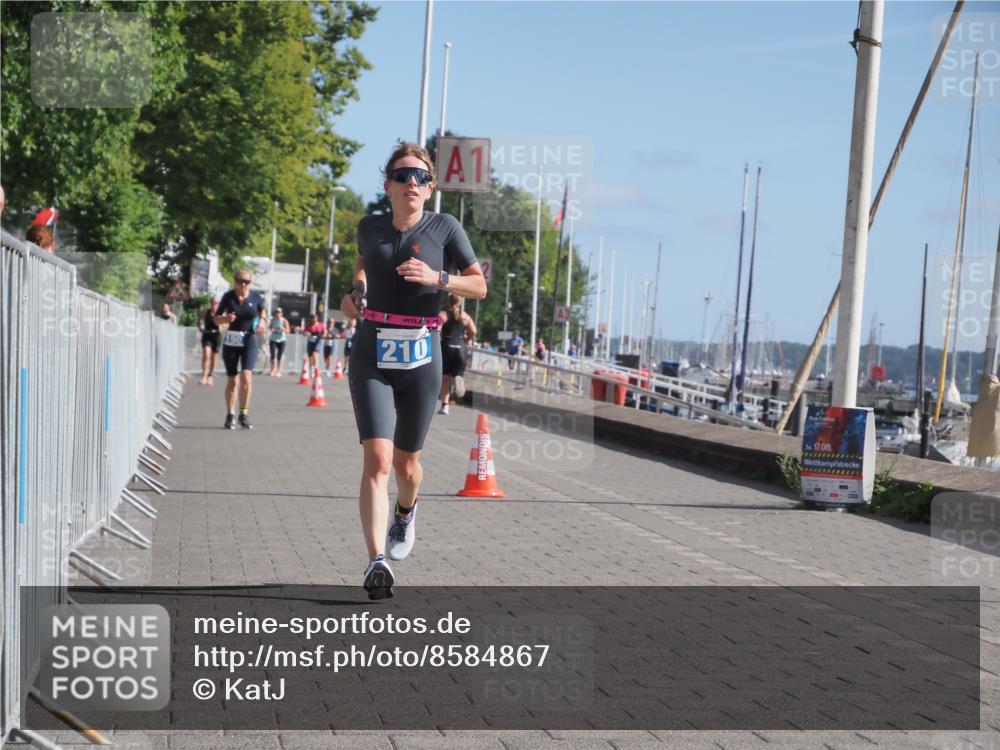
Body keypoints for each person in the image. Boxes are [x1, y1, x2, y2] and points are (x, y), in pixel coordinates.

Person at [341, 141, 486, 599]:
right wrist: (354, 293)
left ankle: (406, 511)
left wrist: (438, 279)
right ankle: (375, 561)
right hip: (372, 350)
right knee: (379, 460)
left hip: (423, 354)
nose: (413, 184)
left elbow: (479, 285)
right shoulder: (370, 228)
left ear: (431, 187)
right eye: (404, 176)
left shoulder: (445, 227)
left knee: (408, 464)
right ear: (388, 185)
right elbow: (363, 267)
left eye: (422, 177)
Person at [214, 269, 266, 429]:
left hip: (249, 338)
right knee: (232, 379)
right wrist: (225, 318)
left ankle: (244, 413)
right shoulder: (228, 297)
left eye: (247, 282)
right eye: (240, 281)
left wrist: (262, 321)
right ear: (235, 281)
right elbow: (216, 318)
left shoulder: (256, 296)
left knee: (246, 375)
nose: (243, 285)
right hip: (231, 339)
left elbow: (262, 311)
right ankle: (230, 414)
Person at [437, 294, 476, 415]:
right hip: (460, 347)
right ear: (460, 302)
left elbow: (436, 329)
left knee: (445, 380)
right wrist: (466, 339)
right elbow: (474, 331)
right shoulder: (465, 316)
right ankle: (457, 379)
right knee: (455, 374)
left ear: (448, 302)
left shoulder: (443, 315)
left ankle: (445, 406)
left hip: (447, 346)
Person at [198, 297, 221, 385]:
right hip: (207, 334)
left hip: (217, 335)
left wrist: (222, 326)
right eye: (212, 303)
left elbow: (227, 323)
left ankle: (210, 376)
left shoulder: (221, 313)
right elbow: (199, 319)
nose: (213, 305)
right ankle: (204, 375)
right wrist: (200, 327)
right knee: (206, 354)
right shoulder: (205, 312)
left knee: (213, 356)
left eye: (216, 303)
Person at [268, 307, 291, 377]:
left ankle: (279, 371)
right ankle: (272, 369)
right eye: (276, 312)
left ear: (282, 314)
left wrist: (283, 328)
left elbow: (288, 331)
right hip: (273, 338)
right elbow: (270, 327)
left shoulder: (284, 321)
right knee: (272, 355)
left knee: (279, 356)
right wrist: (271, 329)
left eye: (279, 312)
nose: (278, 314)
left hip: (281, 339)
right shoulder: (272, 320)